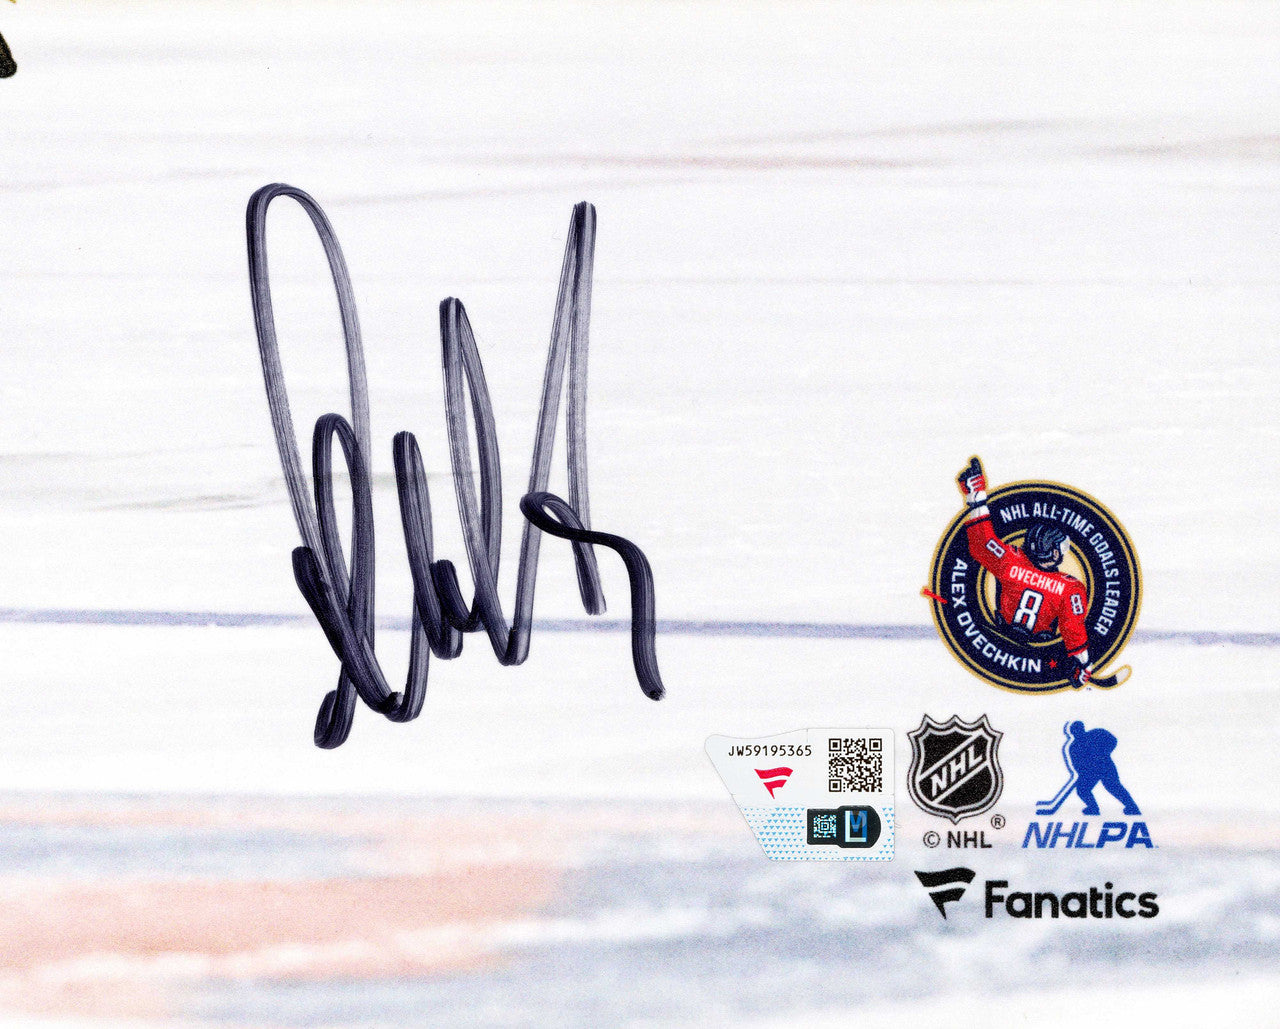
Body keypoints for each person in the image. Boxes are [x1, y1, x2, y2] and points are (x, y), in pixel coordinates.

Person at [956, 457, 1093, 686]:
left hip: (996, 642)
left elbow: (982, 542)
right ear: (1055, 553)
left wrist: (976, 497)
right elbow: (1073, 631)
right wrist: (1084, 664)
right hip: (1037, 654)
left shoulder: (1010, 561)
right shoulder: (1070, 587)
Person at [1066, 721, 1141, 815]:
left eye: (1078, 730)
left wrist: (1104, 753)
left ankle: (1132, 807)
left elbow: (1112, 740)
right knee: (1082, 789)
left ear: (1082, 729)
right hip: (1092, 771)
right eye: (1074, 731)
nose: (1077, 733)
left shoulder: (1096, 734)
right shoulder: (1074, 747)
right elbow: (1076, 764)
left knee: (1113, 786)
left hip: (1105, 766)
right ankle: (1093, 808)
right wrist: (1084, 773)